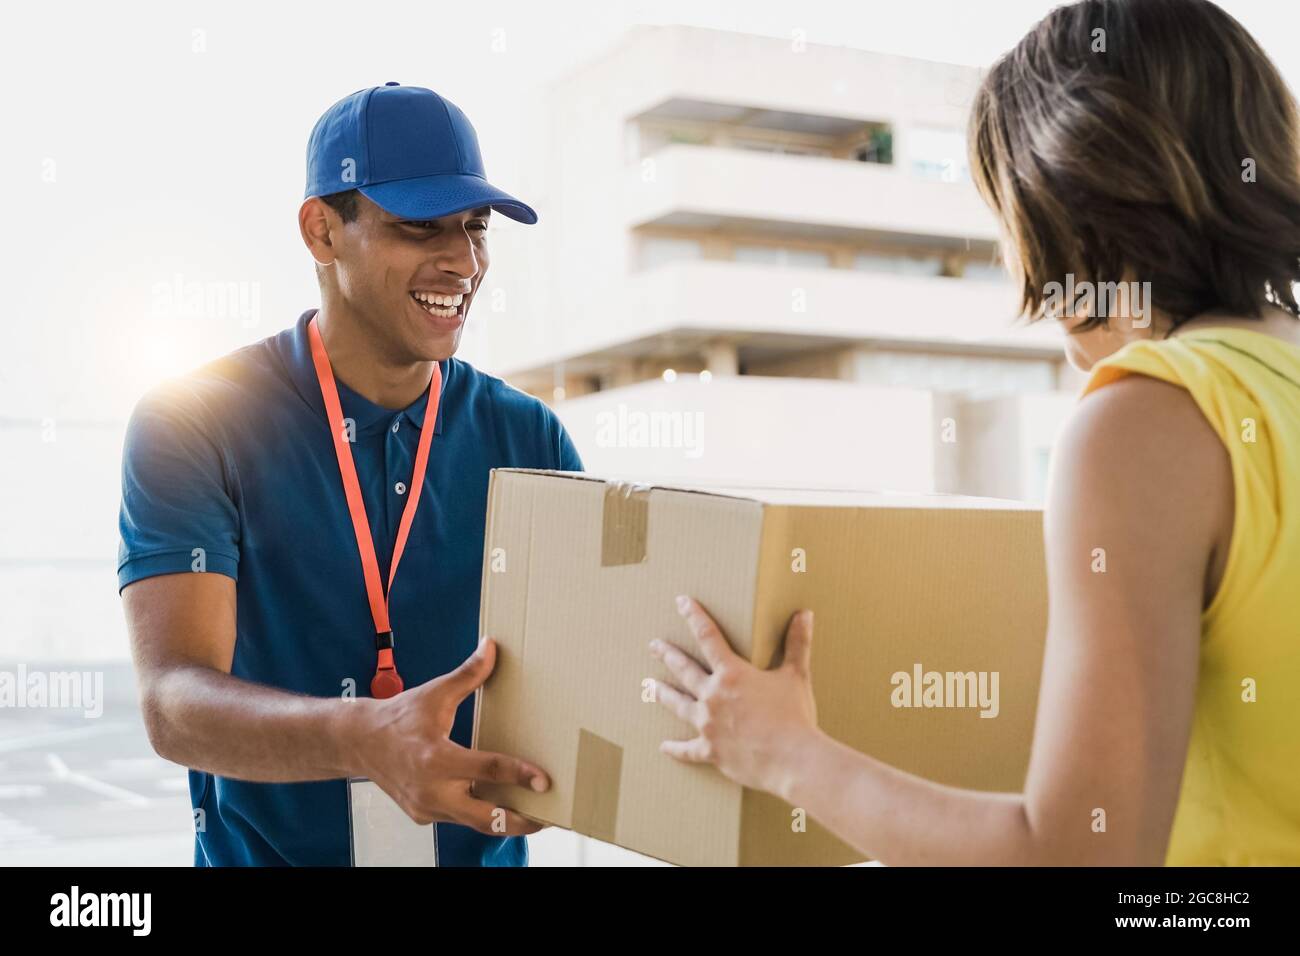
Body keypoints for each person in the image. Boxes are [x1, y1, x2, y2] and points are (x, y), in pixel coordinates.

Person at [650, 0, 1300, 865]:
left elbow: (1074, 860)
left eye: (1008, 214)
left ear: (1068, 197)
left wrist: (785, 754)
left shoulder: (1148, 419)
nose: (1011, 257)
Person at [118, 83, 581, 866]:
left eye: (475, 228)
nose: (464, 262)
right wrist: (367, 739)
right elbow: (173, 705)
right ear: (322, 231)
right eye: (420, 227)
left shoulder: (528, 436)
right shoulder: (192, 422)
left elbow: (589, 666)